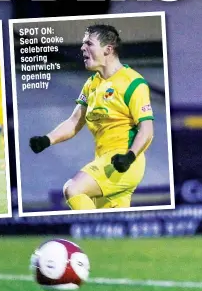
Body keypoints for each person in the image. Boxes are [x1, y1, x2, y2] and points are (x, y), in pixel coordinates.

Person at [29, 24, 154, 210]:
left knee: (73, 189)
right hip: (106, 162)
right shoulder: (91, 84)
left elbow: (147, 130)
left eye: (88, 43)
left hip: (124, 163)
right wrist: (47, 140)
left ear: (108, 50)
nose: (82, 48)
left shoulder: (133, 83)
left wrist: (129, 157)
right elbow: (74, 122)